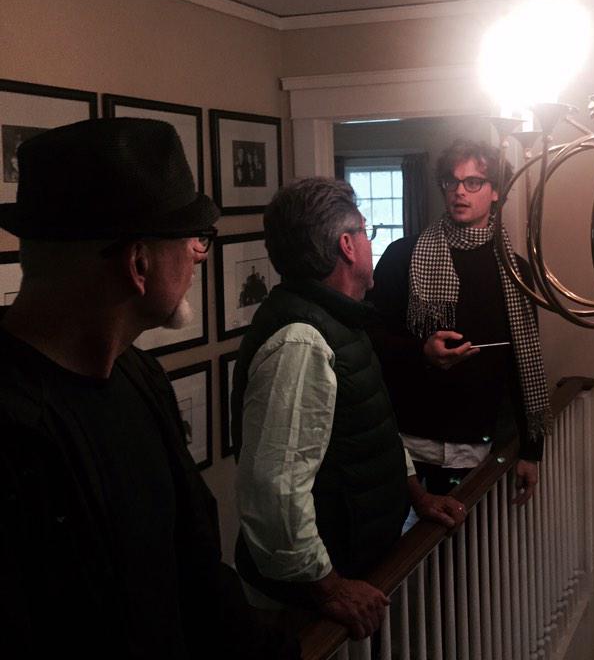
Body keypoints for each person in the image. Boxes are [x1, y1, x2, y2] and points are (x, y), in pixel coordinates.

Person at [0, 118, 295, 659]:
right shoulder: (14, 429)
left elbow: (195, 570)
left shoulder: (140, 376)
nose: (199, 254)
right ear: (139, 263)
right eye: (193, 239)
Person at [232, 177, 466, 640]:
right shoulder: (301, 339)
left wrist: (417, 496)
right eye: (366, 231)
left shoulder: (341, 318)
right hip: (309, 606)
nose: (369, 242)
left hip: (362, 564)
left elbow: (371, 427)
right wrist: (329, 588)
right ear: (346, 245)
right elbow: (276, 490)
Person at [368, 139, 551, 501]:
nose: (459, 192)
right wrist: (421, 351)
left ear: (496, 191)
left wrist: (532, 451)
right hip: (405, 442)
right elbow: (369, 336)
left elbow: (523, 360)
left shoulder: (516, 271)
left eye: (473, 182)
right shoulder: (403, 256)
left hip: (481, 445)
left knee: (473, 537)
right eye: (452, 182)